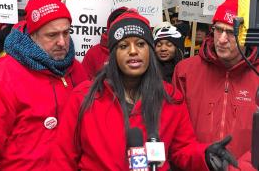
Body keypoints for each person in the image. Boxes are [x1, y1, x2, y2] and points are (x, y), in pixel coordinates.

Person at [54, 9, 237, 171]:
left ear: (150, 50)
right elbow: (63, 159)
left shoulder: (171, 98)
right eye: (124, 46)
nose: (133, 51)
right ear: (113, 54)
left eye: (141, 44)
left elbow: (182, 150)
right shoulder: (84, 97)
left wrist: (204, 155)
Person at [0, 0, 88, 170]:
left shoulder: (77, 71)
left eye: (66, 32)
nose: (62, 42)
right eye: (52, 35)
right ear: (32, 35)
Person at [173, 0, 259, 170]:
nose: (221, 39)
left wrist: (236, 168)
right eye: (218, 29)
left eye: (230, 32)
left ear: (247, 35)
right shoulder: (185, 71)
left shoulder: (257, 75)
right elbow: (176, 137)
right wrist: (203, 157)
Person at [82, 6, 127, 79]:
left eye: (125, 24)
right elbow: (84, 84)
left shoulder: (136, 52)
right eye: (116, 25)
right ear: (110, 27)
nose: (121, 29)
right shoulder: (93, 53)